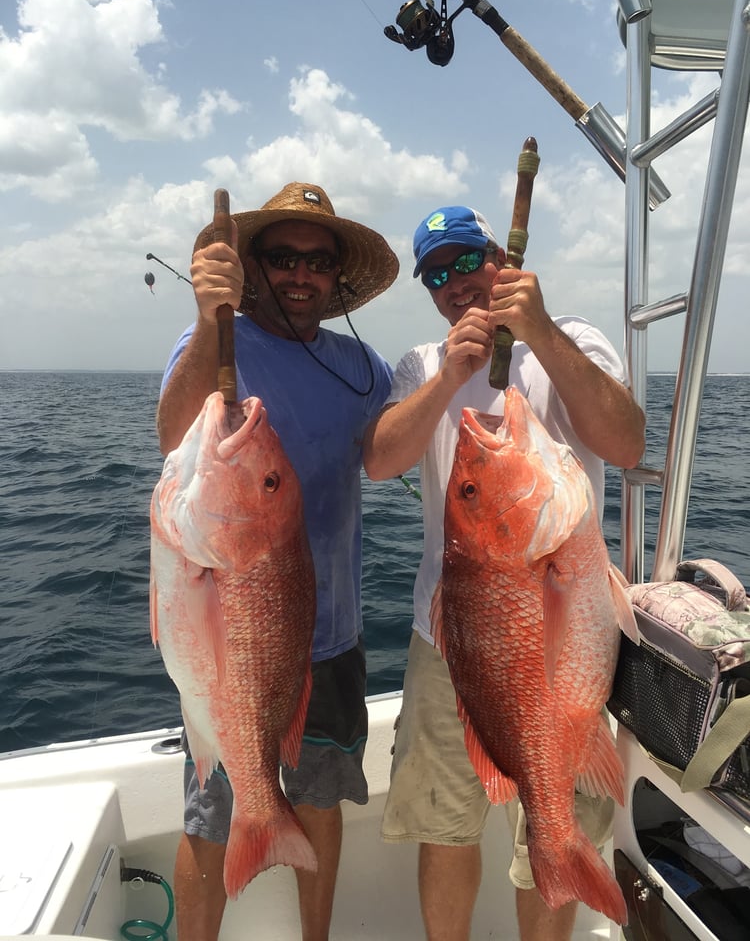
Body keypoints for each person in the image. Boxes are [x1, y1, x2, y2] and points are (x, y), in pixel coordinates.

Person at [362, 205, 646, 941]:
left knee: (557, 820)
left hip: (556, 632)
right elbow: (379, 460)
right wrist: (449, 375)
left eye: (465, 261)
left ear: (500, 255)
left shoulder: (573, 340)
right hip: (446, 637)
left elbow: (622, 441)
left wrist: (542, 334)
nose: (453, 284)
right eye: (435, 275)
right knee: (444, 824)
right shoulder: (422, 363)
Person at [156, 181, 398, 941]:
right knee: (211, 811)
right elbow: (172, 439)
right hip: (237, 640)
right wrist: (206, 319)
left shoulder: (364, 368)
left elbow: (387, 457)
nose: (301, 274)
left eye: (318, 262)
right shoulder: (214, 344)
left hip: (332, 639)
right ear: (254, 267)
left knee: (320, 799)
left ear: (338, 280)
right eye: (283, 257)